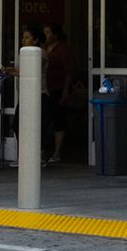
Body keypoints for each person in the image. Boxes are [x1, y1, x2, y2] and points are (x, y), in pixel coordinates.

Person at [43, 23, 77, 164]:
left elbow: (69, 71)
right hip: (46, 88)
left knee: (59, 119)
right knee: (45, 118)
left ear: (55, 35)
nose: (46, 36)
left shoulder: (63, 49)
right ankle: (42, 150)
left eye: (48, 33)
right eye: (44, 33)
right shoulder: (43, 48)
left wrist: (65, 91)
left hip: (58, 88)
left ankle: (57, 152)